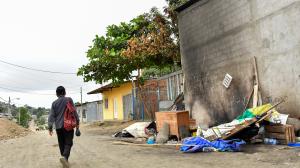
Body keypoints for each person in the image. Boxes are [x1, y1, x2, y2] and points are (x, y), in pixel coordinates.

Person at [48, 86, 80, 167]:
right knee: (68, 143)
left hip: (58, 127)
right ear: (64, 92)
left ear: (57, 94)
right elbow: (74, 111)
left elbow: (51, 116)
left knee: (61, 144)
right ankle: (65, 157)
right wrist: (77, 123)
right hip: (68, 126)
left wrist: (50, 127)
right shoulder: (69, 100)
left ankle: (64, 160)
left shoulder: (54, 103)